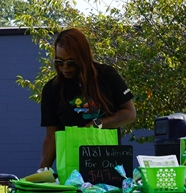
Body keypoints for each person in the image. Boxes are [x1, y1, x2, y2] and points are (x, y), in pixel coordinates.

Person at [38, 28, 136, 170]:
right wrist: (42, 170)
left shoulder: (107, 75)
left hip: (107, 166)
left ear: (83, 57)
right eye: (59, 62)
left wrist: (98, 124)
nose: (65, 68)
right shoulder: (52, 89)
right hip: (71, 169)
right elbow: (51, 135)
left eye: (71, 62)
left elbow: (129, 113)